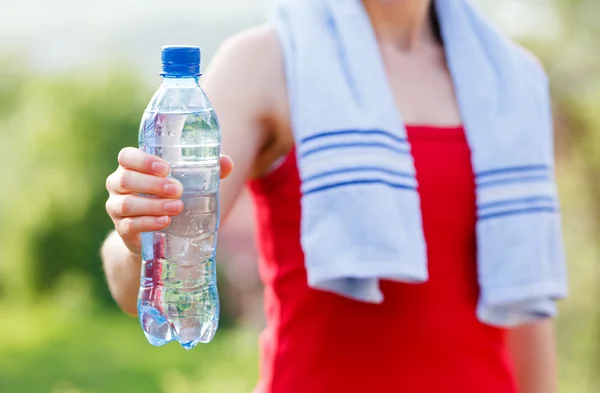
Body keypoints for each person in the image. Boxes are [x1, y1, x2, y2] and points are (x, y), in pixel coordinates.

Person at [103, 1, 564, 392]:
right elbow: (143, 277)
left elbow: (526, 301)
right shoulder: (268, 62)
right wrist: (134, 238)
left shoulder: (512, 80)